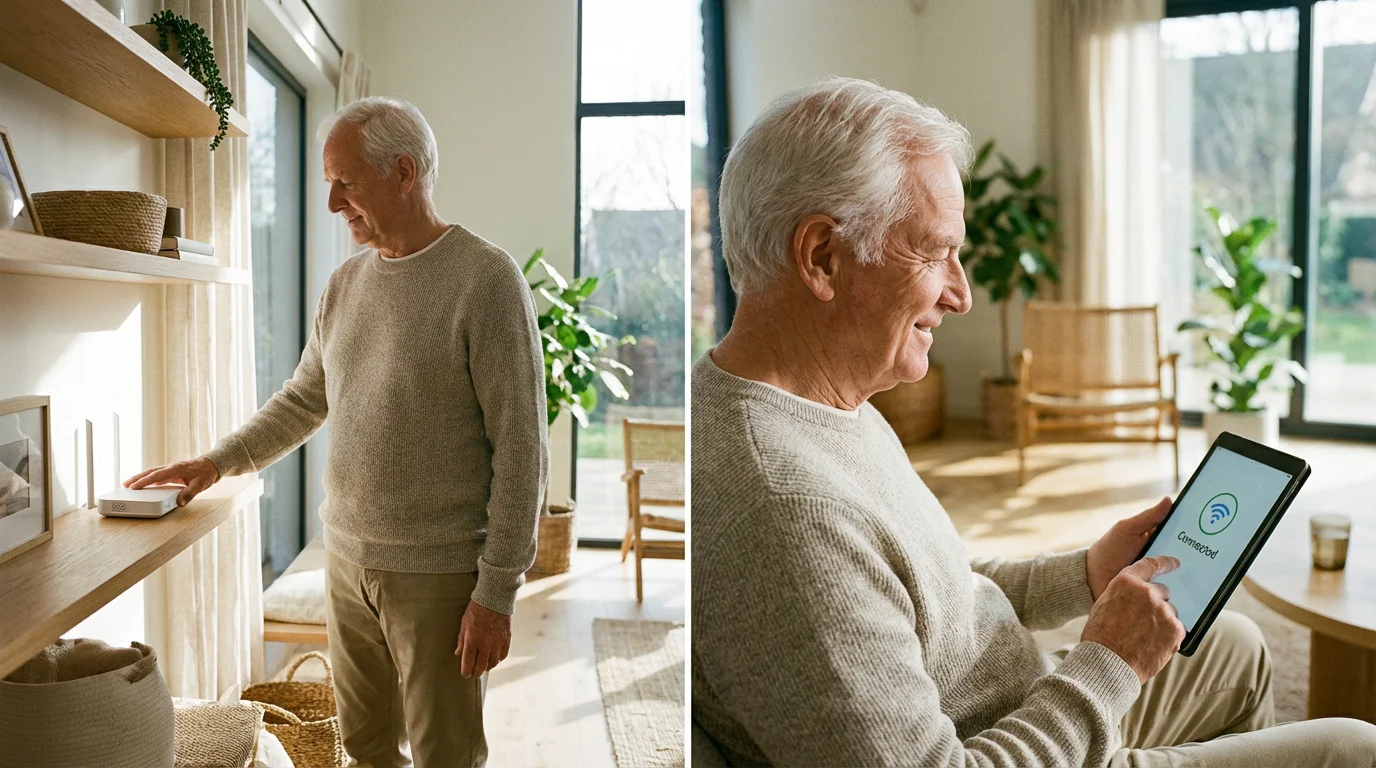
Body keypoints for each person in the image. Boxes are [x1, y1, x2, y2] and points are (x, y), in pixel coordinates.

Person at [689, 77, 1376, 767]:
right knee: (1353, 748)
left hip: (1026, 700)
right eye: (934, 253)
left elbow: (928, 589)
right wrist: (1109, 663)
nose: (960, 293)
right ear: (822, 257)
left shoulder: (821, 403)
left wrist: (1081, 575)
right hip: (1016, 746)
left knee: (1235, 647)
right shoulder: (781, 508)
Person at [126, 96, 548, 767]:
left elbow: (522, 450)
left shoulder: (486, 281)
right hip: (347, 562)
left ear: (405, 174)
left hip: (439, 574)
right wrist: (214, 463)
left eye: (345, 183)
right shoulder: (345, 283)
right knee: (364, 749)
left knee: (447, 754)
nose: (331, 204)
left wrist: (496, 592)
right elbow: (304, 399)